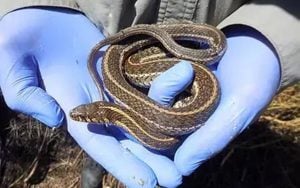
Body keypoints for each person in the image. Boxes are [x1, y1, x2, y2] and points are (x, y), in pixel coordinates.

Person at [0, 1, 299, 187]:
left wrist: (271, 32)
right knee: (109, 147)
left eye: (83, 115)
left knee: (147, 147)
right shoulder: (114, 94)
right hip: (101, 25)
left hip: (215, 36)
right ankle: (92, 175)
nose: (81, 117)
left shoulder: (120, 102)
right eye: (84, 115)